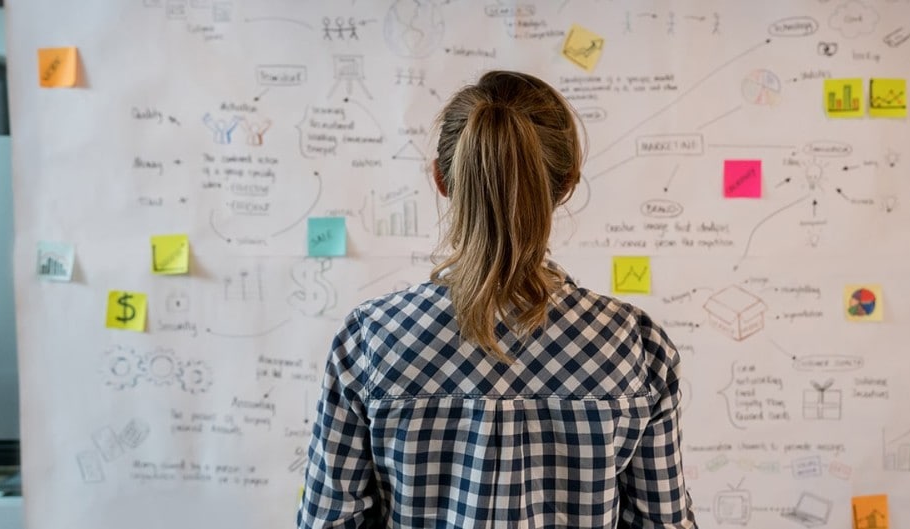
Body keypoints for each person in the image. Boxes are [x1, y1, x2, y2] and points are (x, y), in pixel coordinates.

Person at [297, 70, 696, 528]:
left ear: (442, 180)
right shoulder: (634, 345)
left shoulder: (369, 339)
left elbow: (327, 522)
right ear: (566, 186)